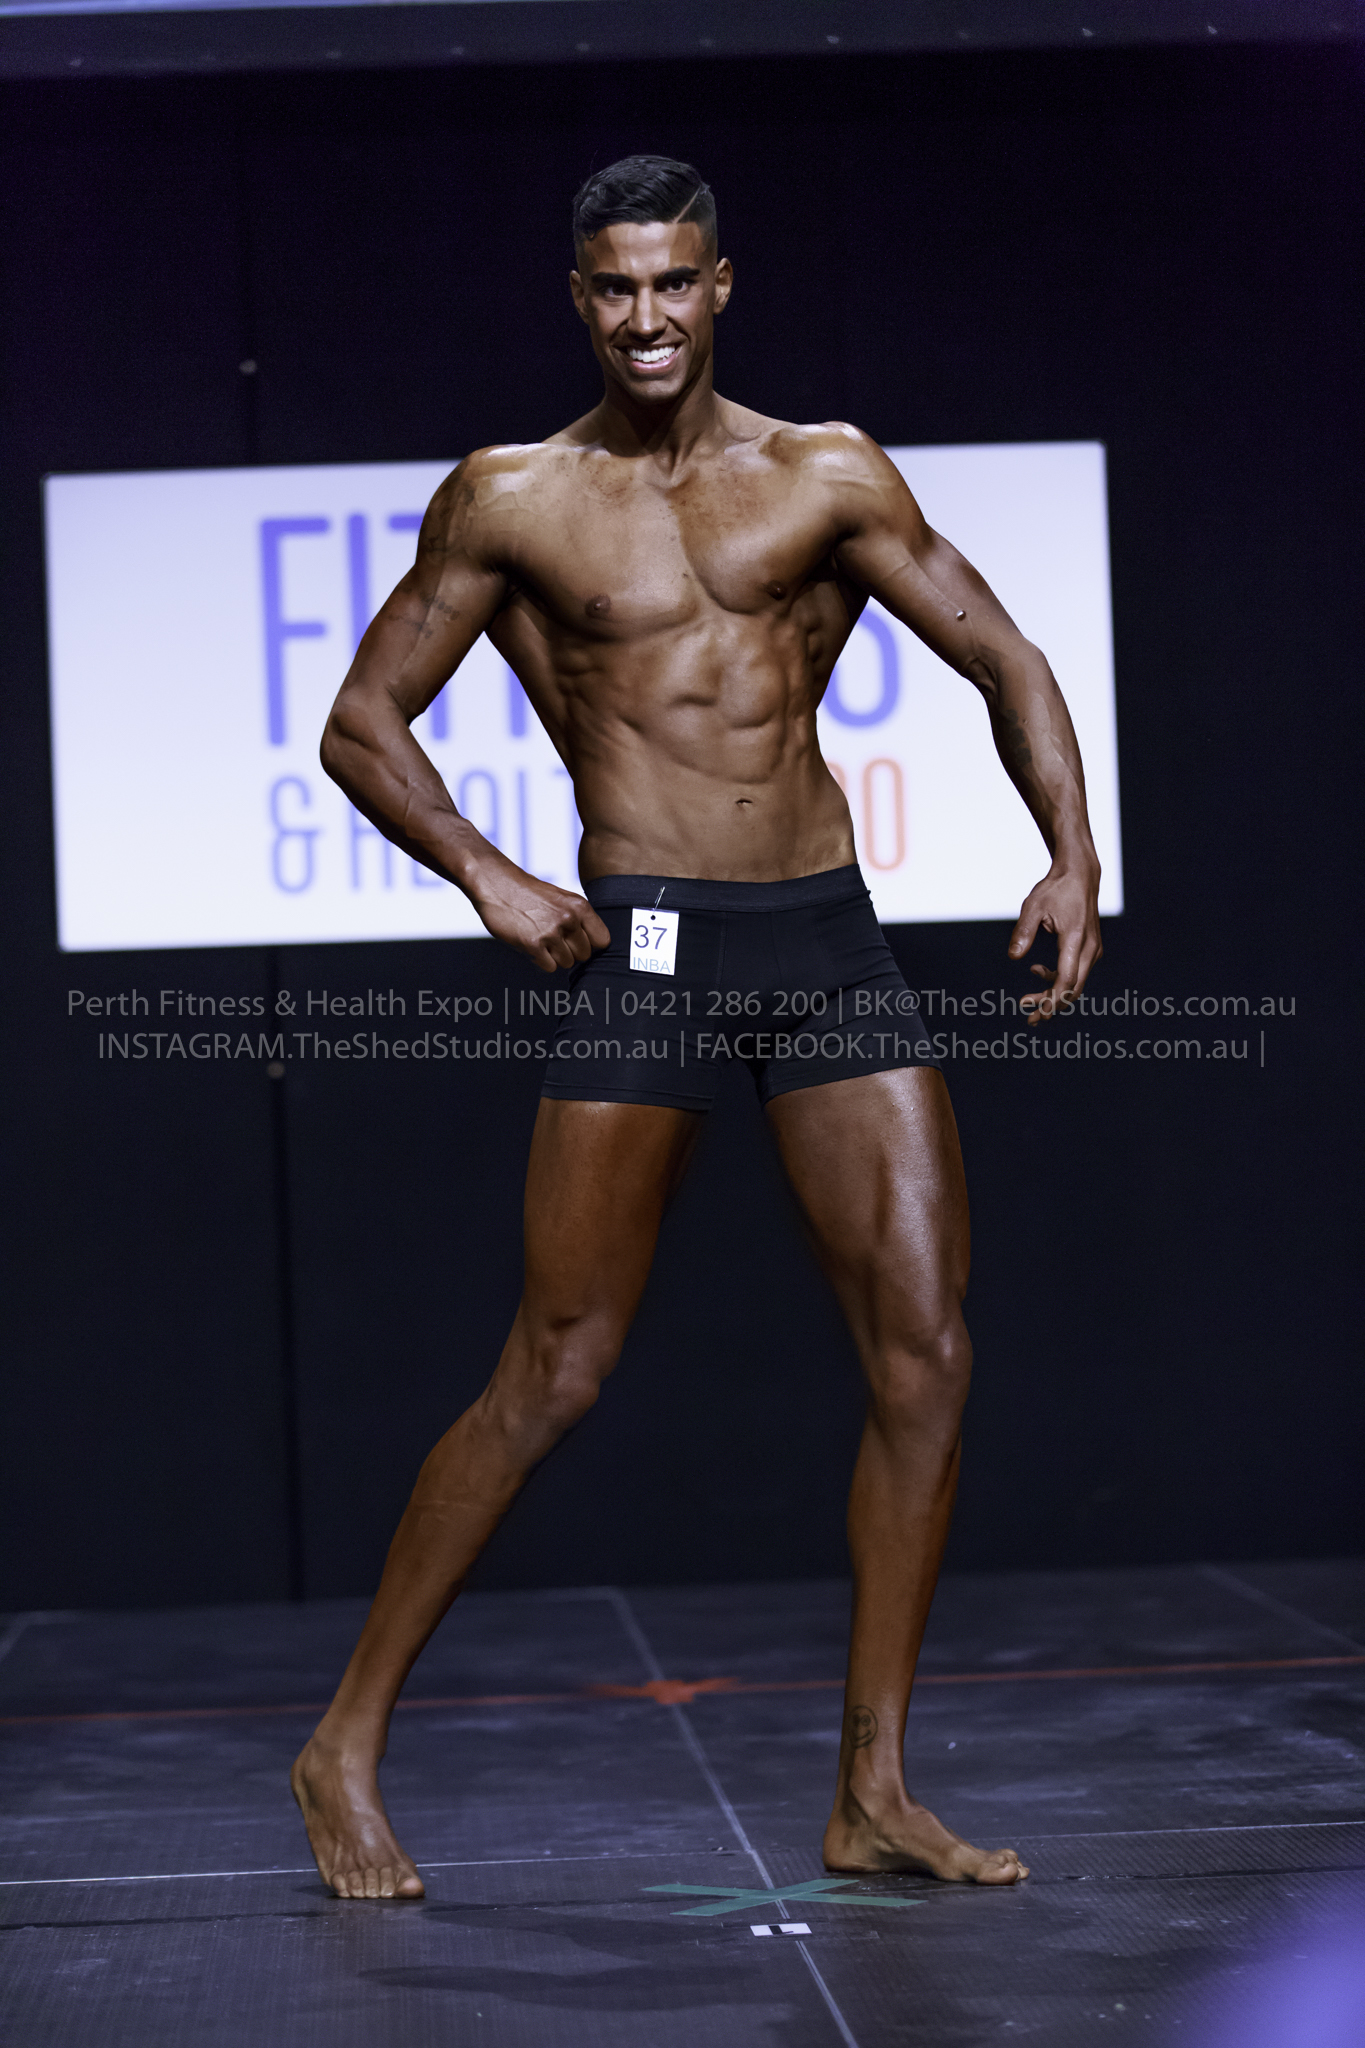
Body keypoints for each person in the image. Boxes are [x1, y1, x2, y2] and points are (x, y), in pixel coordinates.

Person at [294, 154, 1102, 1900]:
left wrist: (1069, 853)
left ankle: (872, 1791)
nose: (645, 316)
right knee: (558, 1368)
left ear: (720, 285)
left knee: (926, 1353)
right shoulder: (513, 496)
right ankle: (340, 1742)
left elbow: (1009, 659)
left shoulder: (826, 474)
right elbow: (361, 721)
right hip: (648, 943)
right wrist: (491, 877)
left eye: (672, 282)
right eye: (614, 287)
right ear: (578, 299)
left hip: (821, 935)